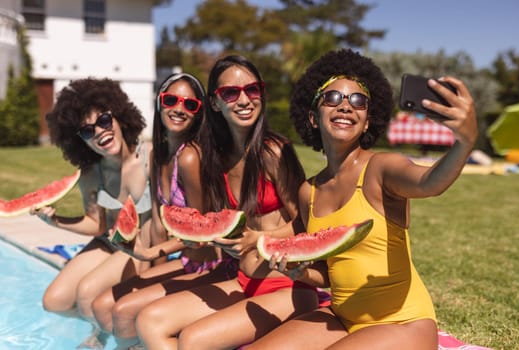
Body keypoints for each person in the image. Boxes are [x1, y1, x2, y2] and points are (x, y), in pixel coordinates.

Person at [245, 49, 478, 350]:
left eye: (358, 101)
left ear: (367, 121)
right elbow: (330, 273)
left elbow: (430, 182)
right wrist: (299, 271)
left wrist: (465, 142)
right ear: (313, 117)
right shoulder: (309, 191)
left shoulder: (382, 168)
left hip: (403, 322)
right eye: (332, 98)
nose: (345, 106)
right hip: (342, 317)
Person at [135, 54, 321, 349]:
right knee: (149, 321)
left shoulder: (273, 151)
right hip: (243, 280)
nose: (244, 99)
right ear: (215, 103)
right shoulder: (215, 159)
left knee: (193, 341)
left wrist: (259, 238)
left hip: (288, 284)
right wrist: (178, 244)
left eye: (253, 89)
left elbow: (307, 224)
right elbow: (210, 226)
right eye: (231, 93)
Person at [91, 72, 236, 349]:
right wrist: (146, 261)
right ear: (160, 102)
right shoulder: (159, 153)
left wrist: (149, 254)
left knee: (122, 311)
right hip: (183, 261)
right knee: (102, 304)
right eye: (171, 100)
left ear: (198, 113)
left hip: (210, 265)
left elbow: (202, 232)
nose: (179, 109)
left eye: (190, 105)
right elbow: (159, 220)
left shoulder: (190, 157)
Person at [31, 78, 153, 348]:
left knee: (87, 293)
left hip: (141, 245)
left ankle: (123, 340)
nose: (99, 131)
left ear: (120, 118)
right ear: (80, 141)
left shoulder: (150, 158)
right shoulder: (91, 173)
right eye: (86, 131)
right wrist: (56, 220)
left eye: (104, 120)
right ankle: (105, 326)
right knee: (54, 301)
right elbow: (96, 225)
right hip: (109, 242)